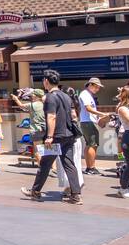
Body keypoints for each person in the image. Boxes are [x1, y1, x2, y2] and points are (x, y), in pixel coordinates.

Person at [21, 69, 83, 204]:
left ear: (46, 81)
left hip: (55, 137)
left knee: (45, 164)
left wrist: (49, 136)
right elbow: (73, 115)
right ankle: (76, 195)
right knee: (69, 164)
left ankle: (35, 191)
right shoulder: (66, 96)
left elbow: (51, 116)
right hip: (69, 135)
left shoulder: (50, 97)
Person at [77, 77, 107, 175]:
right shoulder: (85, 94)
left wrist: (98, 118)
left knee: (90, 144)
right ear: (90, 85)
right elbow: (88, 108)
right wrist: (101, 114)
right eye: (96, 87)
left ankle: (89, 167)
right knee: (92, 144)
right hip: (88, 122)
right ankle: (91, 167)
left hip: (88, 122)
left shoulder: (88, 95)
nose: (97, 89)